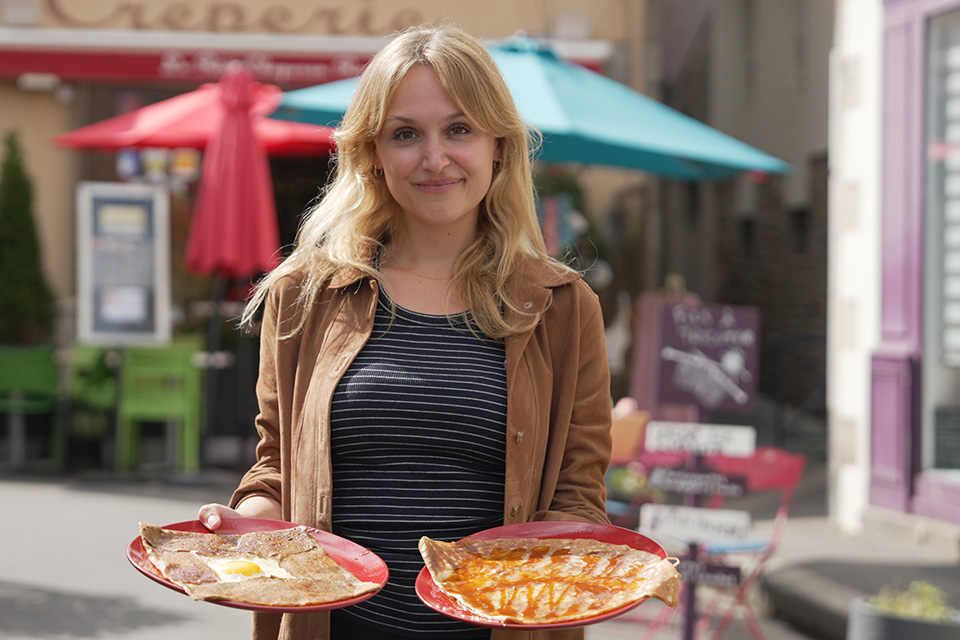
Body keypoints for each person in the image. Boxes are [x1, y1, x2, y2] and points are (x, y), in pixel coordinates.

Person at [198, 23, 613, 640]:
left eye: (460, 129)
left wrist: (574, 555)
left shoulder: (560, 307)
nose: (434, 157)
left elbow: (578, 498)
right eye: (406, 135)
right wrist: (247, 523)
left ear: (499, 146)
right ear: (371, 152)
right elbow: (276, 471)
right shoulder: (304, 295)